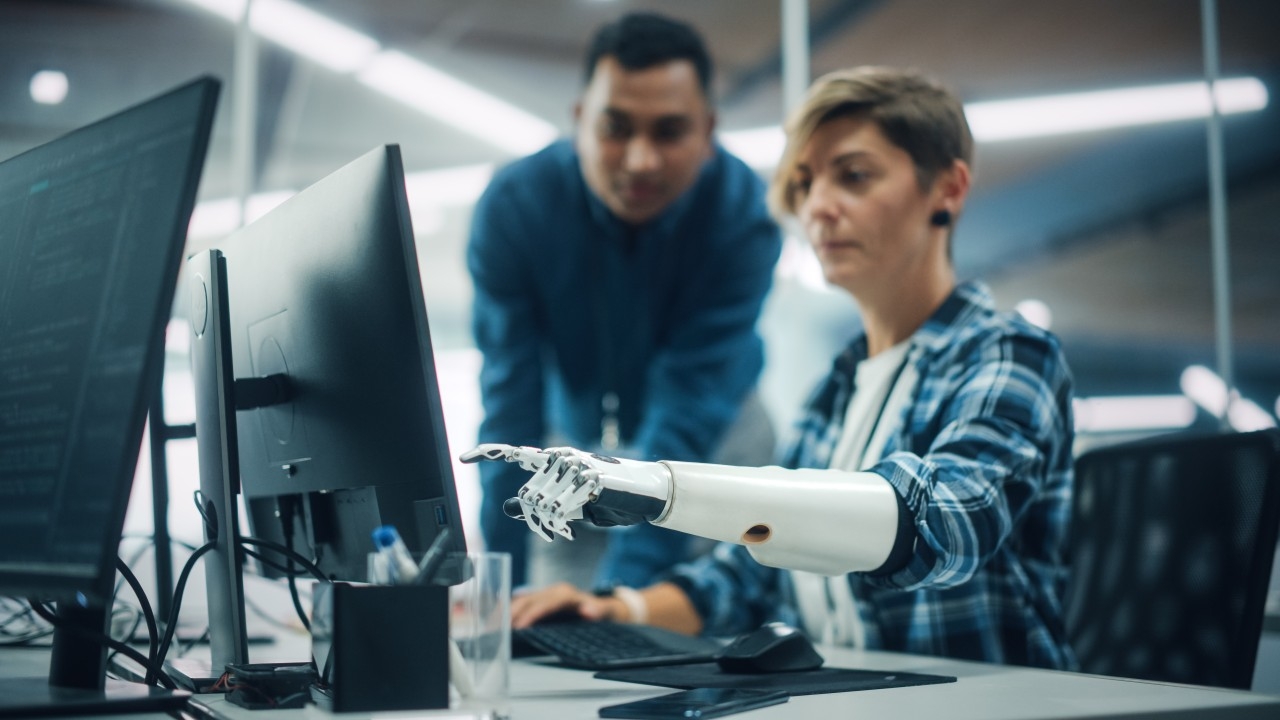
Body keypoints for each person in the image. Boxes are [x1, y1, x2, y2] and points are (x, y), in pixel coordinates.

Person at [464, 66, 1077, 670]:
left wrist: (661, 489)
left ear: (947, 188)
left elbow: (944, 520)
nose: (818, 207)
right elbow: (747, 573)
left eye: (854, 177)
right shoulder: (835, 393)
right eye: (806, 183)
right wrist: (615, 607)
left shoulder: (1007, 354)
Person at [467, 12, 782, 590]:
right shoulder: (514, 208)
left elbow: (689, 405)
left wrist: (623, 604)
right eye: (616, 129)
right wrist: (499, 589)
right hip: (574, 431)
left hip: (717, 433)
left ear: (708, 133)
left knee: (705, 597)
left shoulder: (744, 218)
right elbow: (511, 393)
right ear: (582, 120)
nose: (640, 160)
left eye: (668, 132)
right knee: (545, 598)